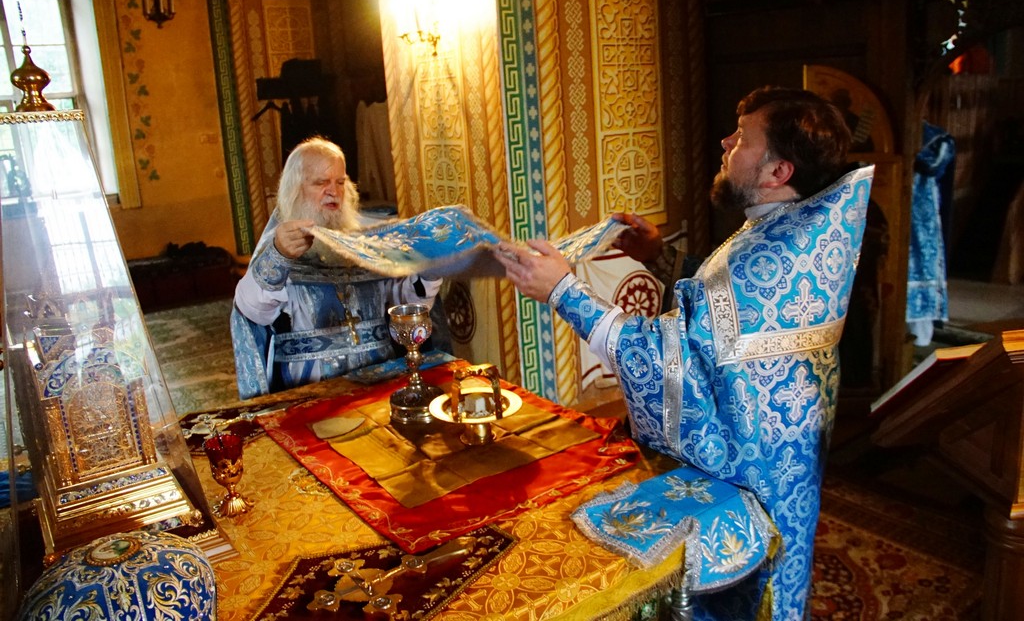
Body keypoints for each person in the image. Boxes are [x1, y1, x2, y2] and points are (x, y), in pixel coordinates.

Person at [497, 87, 873, 620]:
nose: (725, 142)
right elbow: (720, 306)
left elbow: (666, 360)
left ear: (778, 171)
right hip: (779, 462)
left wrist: (563, 290)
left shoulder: (766, 258)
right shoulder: (789, 232)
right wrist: (659, 256)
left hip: (748, 474)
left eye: (742, 137)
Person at [231, 137, 443, 399]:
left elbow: (405, 305)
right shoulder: (280, 245)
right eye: (321, 182)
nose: (333, 191)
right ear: (295, 189)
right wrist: (279, 255)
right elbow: (253, 311)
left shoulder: (365, 243)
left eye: (340, 182)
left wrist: (431, 268)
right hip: (312, 388)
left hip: (379, 379)